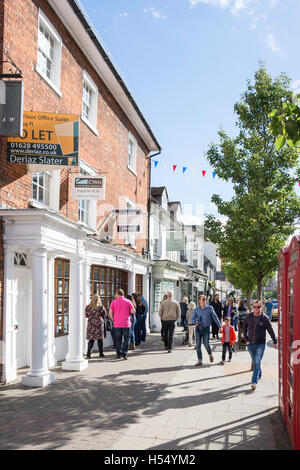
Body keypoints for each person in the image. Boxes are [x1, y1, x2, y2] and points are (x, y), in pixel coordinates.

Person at [243, 299, 277, 390]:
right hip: (250, 344)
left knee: (257, 362)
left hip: (260, 344)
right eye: (254, 307)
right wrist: (246, 340)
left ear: (261, 307)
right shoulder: (248, 317)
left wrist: (275, 341)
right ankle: (259, 373)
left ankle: (254, 381)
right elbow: (244, 328)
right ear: (252, 307)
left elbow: (270, 330)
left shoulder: (265, 318)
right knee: (256, 362)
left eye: (258, 307)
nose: (256, 309)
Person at [192, 295, 222, 366]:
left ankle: (210, 354)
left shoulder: (209, 308)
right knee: (198, 345)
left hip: (206, 329)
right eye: (203, 299)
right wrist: (194, 322)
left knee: (206, 344)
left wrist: (220, 326)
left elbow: (215, 317)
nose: (205, 300)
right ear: (199, 300)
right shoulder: (196, 309)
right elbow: (193, 318)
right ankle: (200, 360)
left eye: (205, 299)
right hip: (198, 329)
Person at [109, 289, 135, 360]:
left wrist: (113, 319)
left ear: (118, 294)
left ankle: (118, 354)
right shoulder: (128, 301)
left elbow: (110, 312)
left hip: (117, 323)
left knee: (118, 339)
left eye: (115, 294)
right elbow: (133, 311)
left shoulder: (114, 302)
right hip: (126, 323)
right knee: (126, 339)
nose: (115, 295)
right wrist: (128, 312)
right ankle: (124, 354)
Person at [85, 294, 107, 359]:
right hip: (99, 323)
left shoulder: (87, 307)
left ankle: (88, 354)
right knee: (100, 339)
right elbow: (105, 314)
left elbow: (86, 315)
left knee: (91, 339)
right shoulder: (100, 306)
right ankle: (101, 353)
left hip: (91, 324)